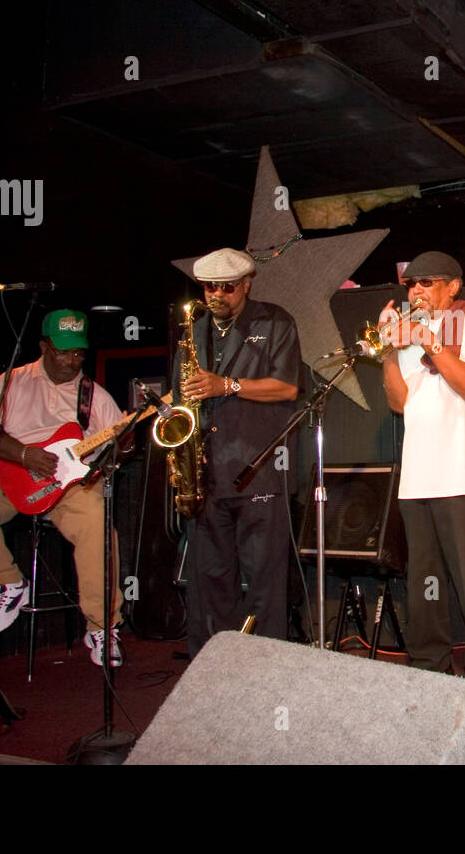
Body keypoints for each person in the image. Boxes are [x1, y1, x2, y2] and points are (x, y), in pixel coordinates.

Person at [0, 309, 130, 667]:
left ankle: (102, 625)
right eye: (63, 351)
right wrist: (24, 454)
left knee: (96, 519)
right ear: (44, 346)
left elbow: (116, 447)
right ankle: (7, 583)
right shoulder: (12, 381)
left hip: (70, 486)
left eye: (78, 352)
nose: (72, 360)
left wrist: (119, 447)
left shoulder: (96, 396)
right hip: (16, 472)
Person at [380, 251, 465, 707]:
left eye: (426, 282)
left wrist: (427, 340)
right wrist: (391, 353)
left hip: (463, 474)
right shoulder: (409, 334)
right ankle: (428, 669)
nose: (415, 291)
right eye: (410, 284)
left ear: (452, 286)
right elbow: (400, 403)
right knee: (424, 581)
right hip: (417, 478)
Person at [178, 247, 301, 657]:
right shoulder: (193, 331)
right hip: (208, 472)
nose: (217, 295)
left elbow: (287, 387)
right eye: (209, 287)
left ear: (247, 284)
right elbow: (186, 395)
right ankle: (214, 665)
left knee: (265, 583)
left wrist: (226, 385)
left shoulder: (276, 321)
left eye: (226, 287)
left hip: (259, 469)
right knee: (210, 580)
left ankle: (268, 668)